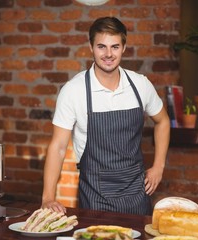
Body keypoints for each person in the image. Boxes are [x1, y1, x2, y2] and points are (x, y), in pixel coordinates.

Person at [41, 16, 170, 215]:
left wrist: (159, 166)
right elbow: (58, 147)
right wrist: (48, 197)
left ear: (124, 47)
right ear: (91, 46)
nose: (108, 54)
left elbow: (163, 121)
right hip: (94, 200)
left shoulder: (140, 84)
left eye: (115, 47)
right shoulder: (74, 90)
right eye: (102, 46)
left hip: (138, 197)